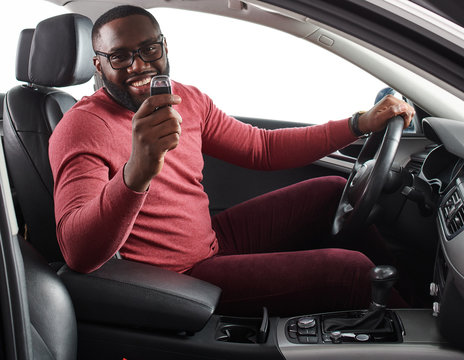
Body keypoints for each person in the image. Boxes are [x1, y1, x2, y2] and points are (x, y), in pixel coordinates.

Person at [49, 5, 415, 316]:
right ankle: (420, 331)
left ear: (164, 47)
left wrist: (359, 124)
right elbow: (78, 252)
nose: (139, 66)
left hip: (211, 239)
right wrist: (137, 171)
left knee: (334, 192)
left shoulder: (187, 99)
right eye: (120, 56)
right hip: (178, 275)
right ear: (99, 64)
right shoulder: (82, 127)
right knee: (352, 272)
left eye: (148, 49)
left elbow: (262, 148)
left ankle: (414, 299)